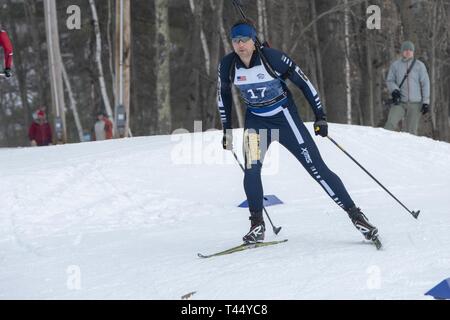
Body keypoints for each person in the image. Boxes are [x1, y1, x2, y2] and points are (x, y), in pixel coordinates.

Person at [217, 20, 380, 245]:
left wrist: (320, 116)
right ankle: (257, 225)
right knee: (251, 171)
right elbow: (223, 97)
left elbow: (305, 83)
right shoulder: (228, 65)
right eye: (235, 41)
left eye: (244, 40)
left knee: (317, 169)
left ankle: (357, 216)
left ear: (253, 40)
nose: (240, 45)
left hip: (285, 119)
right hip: (256, 122)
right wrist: (226, 129)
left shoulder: (271, 58)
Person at [384, 41, 430, 135]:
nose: (408, 52)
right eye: (405, 50)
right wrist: (395, 90)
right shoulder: (395, 65)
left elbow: (425, 83)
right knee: (390, 125)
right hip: (400, 102)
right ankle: (381, 146)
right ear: (402, 52)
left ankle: (409, 149)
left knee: (411, 132)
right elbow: (390, 80)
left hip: (415, 104)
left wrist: (425, 102)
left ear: (413, 52)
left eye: (410, 50)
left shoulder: (419, 65)